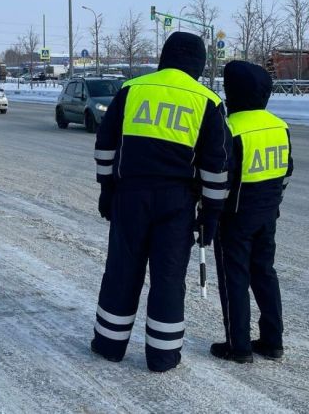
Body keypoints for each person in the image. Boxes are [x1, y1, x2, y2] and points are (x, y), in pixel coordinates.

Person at [90, 31, 232, 372]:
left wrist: (106, 188)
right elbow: (215, 167)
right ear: (199, 64)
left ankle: (109, 344)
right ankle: (163, 356)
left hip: (130, 195)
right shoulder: (208, 101)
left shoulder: (132, 89)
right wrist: (211, 215)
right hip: (177, 203)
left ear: (164, 57)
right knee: (168, 278)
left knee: (122, 270)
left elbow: (106, 144)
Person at [211, 60, 294, 364]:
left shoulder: (231, 128)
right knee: (265, 275)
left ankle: (239, 346)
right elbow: (286, 172)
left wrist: (209, 214)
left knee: (234, 279)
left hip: (234, 219)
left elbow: (221, 179)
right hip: (267, 215)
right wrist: (272, 204)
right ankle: (273, 342)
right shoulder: (279, 126)